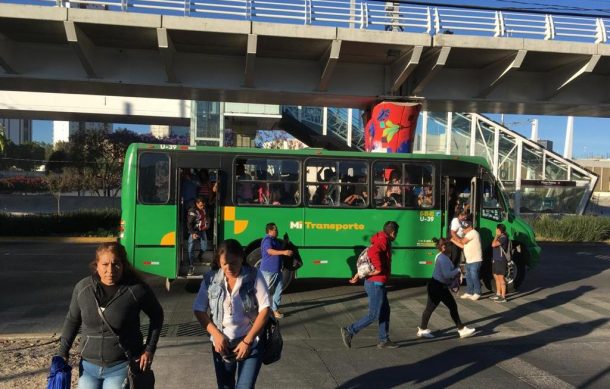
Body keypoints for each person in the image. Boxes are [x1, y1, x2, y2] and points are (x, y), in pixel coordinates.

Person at [56, 242, 164, 389]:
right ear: (97, 265)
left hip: (121, 366)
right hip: (88, 367)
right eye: (105, 264)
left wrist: (149, 349)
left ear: (123, 265)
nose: (110, 270)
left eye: (116, 264)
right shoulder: (83, 288)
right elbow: (72, 320)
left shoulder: (136, 289)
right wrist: (62, 352)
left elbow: (157, 315)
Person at [193, 239, 270, 389]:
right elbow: (199, 309)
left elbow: (265, 310)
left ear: (242, 258)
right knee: (225, 386)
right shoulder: (211, 279)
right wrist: (216, 334)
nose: (228, 268)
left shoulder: (254, 275)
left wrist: (248, 341)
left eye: (233, 263)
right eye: (224, 264)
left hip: (251, 342)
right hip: (222, 345)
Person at [341, 221, 400, 349]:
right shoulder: (382, 241)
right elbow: (373, 252)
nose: (397, 236)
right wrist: (378, 268)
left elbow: (367, 258)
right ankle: (349, 331)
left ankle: (384, 340)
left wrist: (358, 274)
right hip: (375, 284)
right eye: (397, 233)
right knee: (374, 315)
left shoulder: (382, 238)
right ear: (393, 233)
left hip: (377, 282)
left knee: (385, 310)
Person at [417, 238, 476, 339]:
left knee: (433, 308)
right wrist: (457, 270)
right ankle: (461, 329)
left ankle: (423, 329)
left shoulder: (441, 256)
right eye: (449, 246)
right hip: (438, 287)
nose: (451, 248)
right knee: (448, 306)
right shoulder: (442, 258)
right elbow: (446, 274)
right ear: (444, 247)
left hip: (437, 286)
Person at [261, 223, 293, 319]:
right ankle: (259, 311)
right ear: (270, 231)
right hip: (269, 270)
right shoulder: (267, 240)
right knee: (265, 291)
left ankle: (274, 310)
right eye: (275, 230)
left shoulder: (274, 240)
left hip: (277, 270)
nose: (277, 231)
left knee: (279, 289)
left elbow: (279, 249)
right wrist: (284, 252)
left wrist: (285, 242)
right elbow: (269, 251)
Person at [451, 220, 483, 301]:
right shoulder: (468, 234)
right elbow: (462, 246)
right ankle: (469, 292)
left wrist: (454, 235)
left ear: (470, 227)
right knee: (468, 276)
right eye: (462, 228)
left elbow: (462, 241)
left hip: (476, 260)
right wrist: (453, 241)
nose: (463, 230)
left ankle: (477, 292)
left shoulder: (473, 233)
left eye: (464, 228)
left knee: (474, 276)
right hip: (469, 260)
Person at [187, 197, 209, 275]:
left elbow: (206, 217)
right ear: (197, 204)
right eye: (201, 205)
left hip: (202, 230)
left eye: (203, 205)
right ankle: (191, 266)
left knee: (205, 246)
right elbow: (189, 224)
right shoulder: (192, 211)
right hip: (194, 231)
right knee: (190, 248)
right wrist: (193, 233)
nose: (202, 206)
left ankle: (199, 256)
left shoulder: (204, 209)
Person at [491, 224, 509, 303]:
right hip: (496, 260)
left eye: (497, 229)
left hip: (501, 260)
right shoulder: (499, 237)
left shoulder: (503, 238)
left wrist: (495, 236)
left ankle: (503, 297)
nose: (495, 230)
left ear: (499, 230)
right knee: (496, 277)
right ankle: (498, 294)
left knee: (501, 278)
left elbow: (493, 244)